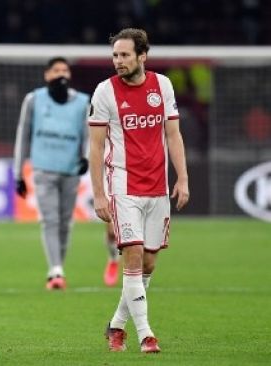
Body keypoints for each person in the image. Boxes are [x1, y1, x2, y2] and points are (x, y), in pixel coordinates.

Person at [87, 28, 189, 353]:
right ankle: (146, 334)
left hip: (157, 187)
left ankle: (116, 325)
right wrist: (99, 194)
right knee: (132, 256)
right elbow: (95, 145)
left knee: (148, 264)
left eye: (125, 55)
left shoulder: (163, 86)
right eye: (115, 55)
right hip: (123, 188)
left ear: (142, 55)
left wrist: (182, 178)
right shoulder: (105, 92)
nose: (118, 61)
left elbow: (173, 135)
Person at [13, 57, 90, 290]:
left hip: (70, 171)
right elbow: (23, 135)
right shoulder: (34, 99)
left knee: (66, 222)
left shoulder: (83, 102)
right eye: (56, 70)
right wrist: (18, 173)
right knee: (50, 220)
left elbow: (88, 135)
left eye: (65, 69)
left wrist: (86, 157)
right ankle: (55, 270)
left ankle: (58, 267)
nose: (61, 74)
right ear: (47, 75)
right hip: (43, 169)